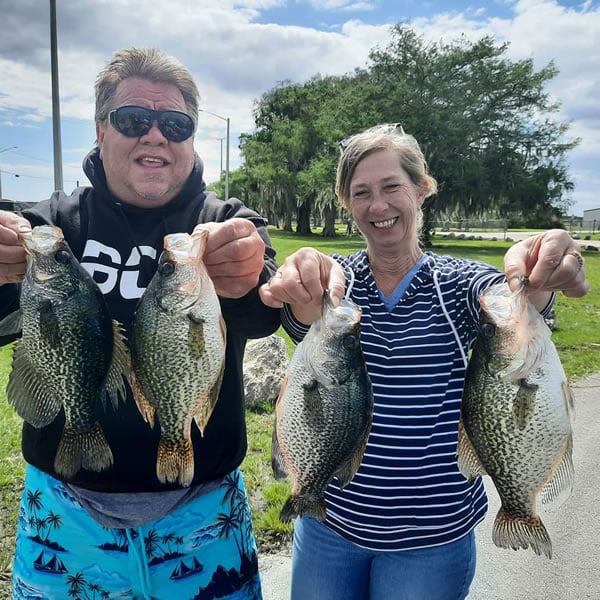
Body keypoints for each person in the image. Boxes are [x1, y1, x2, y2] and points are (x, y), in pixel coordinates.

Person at [259, 123, 590, 600]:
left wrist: (538, 270)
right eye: (361, 193)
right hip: (330, 525)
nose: (379, 205)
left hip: (433, 540)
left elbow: (513, 305)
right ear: (347, 204)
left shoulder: (461, 283)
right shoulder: (337, 284)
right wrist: (302, 277)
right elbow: (308, 308)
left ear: (422, 189)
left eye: (392, 186)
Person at [0, 47, 280, 599]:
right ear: (101, 130)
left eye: (175, 124)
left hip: (204, 515)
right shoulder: (51, 226)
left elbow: (263, 311)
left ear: (192, 138)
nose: (156, 135)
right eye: (133, 120)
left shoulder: (223, 222)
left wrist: (250, 278)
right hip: (64, 510)